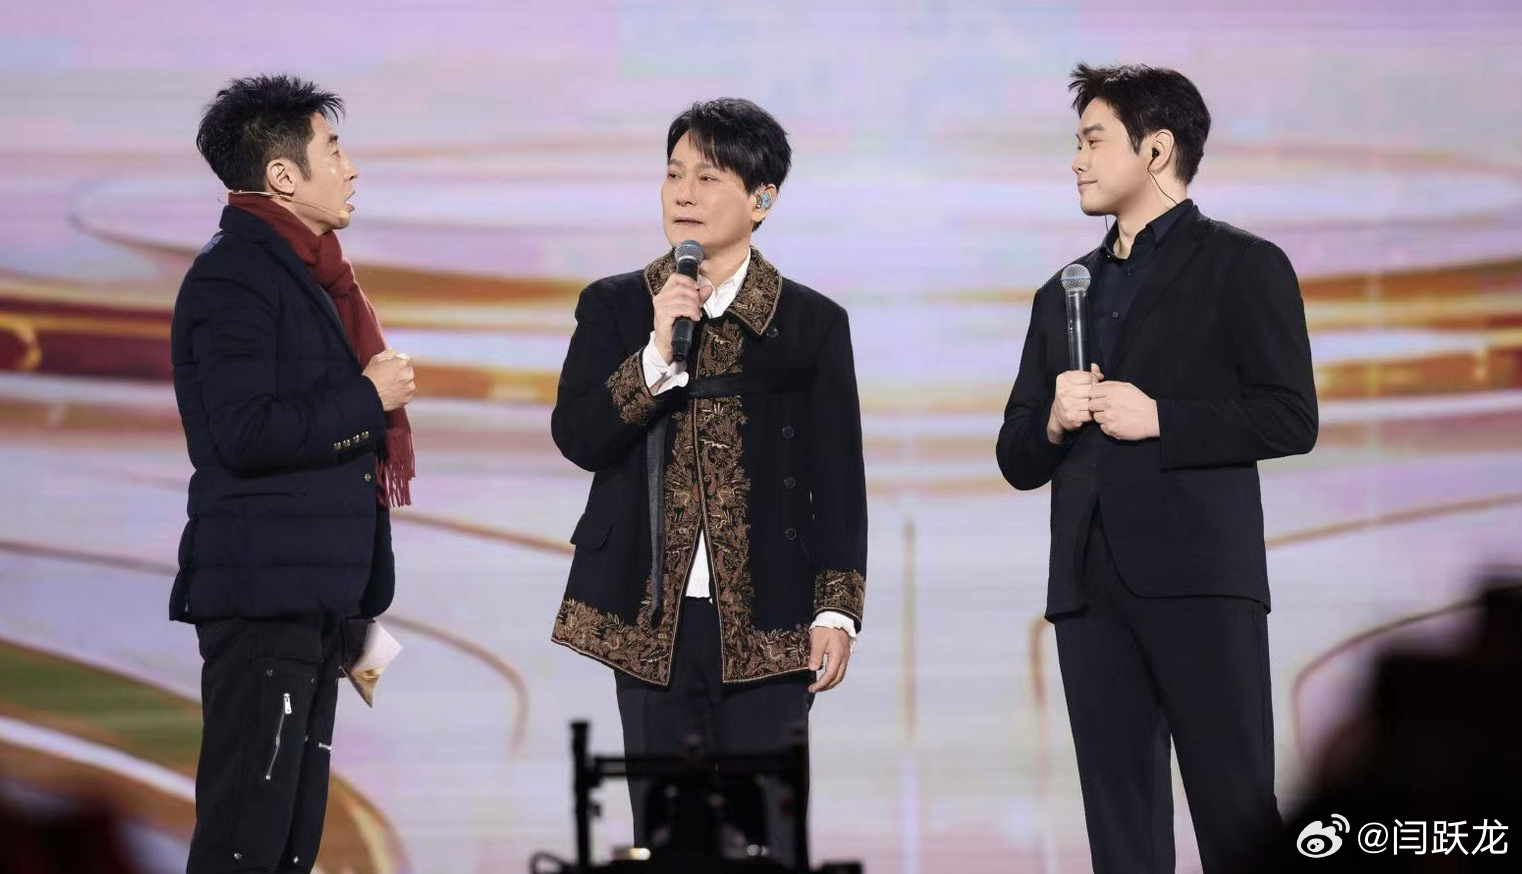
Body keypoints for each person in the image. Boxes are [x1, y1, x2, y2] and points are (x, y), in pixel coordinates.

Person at [996, 63, 1318, 873]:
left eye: (1093, 140)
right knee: (1122, 831)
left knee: (1236, 812)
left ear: (1157, 148)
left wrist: (1162, 418)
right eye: (1076, 143)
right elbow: (1016, 454)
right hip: (1087, 588)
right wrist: (1055, 421)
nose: (1076, 160)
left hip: (1200, 581)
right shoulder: (1061, 292)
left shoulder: (1243, 265)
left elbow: (1291, 416)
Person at [549, 97, 867, 847]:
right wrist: (657, 354)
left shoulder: (812, 324)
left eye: (708, 177)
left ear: (762, 200)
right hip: (649, 614)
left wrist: (836, 610)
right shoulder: (616, 305)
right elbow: (579, 435)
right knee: (666, 835)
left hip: (772, 613)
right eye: (673, 174)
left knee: (766, 836)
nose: (683, 194)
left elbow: (836, 477)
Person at [170, 74, 415, 874]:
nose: (350, 168)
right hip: (262, 599)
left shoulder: (310, 273)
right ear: (282, 175)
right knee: (246, 838)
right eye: (332, 150)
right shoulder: (235, 276)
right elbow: (243, 433)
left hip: (315, 599)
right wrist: (368, 399)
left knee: (290, 845)